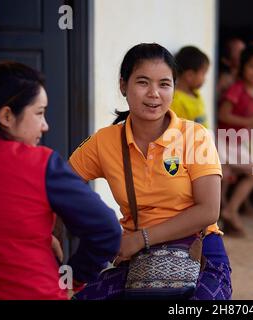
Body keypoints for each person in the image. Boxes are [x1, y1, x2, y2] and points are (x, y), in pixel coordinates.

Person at [68, 43, 232, 300]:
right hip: (137, 257)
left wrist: (140, 238)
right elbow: (62, 186)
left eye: (164, 84)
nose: (154, 94)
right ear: (124, 85)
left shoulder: (195, 136)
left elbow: (209, 210)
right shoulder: (104, 142)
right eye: (143, 82)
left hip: (199, 250)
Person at [0, 61, 122, 300]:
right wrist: (73, 278)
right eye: (39, 113)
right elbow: (107, 230)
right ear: (7, 116)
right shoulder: (40, 164)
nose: (45, 125)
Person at [217, 44, 253, 237]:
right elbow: (222, 114)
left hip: (237, 144)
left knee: (229, 178)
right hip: (226, 142)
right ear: (242, 68)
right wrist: (248, 122)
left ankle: (228, 213)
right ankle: (229, 211)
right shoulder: (237, 89)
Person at [170, 46, 210, 128]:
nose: (205, 79)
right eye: (203, 74)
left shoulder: (196, 93)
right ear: (190, 75)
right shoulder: (176, 101)